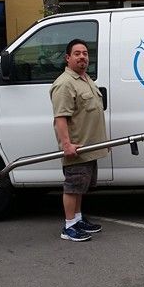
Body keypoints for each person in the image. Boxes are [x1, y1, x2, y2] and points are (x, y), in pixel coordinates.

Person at [50, 39, 109, 242]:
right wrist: (66, 145)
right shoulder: (65, 84)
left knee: (80, 188)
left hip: (89, 147)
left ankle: (77, 219)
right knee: (73, 187)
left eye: (85, 53)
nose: (82, 56)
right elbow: (61, 118)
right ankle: (68, 227)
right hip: (76, 146)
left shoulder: (84, 79)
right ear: (68, 58)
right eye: (77, 53)